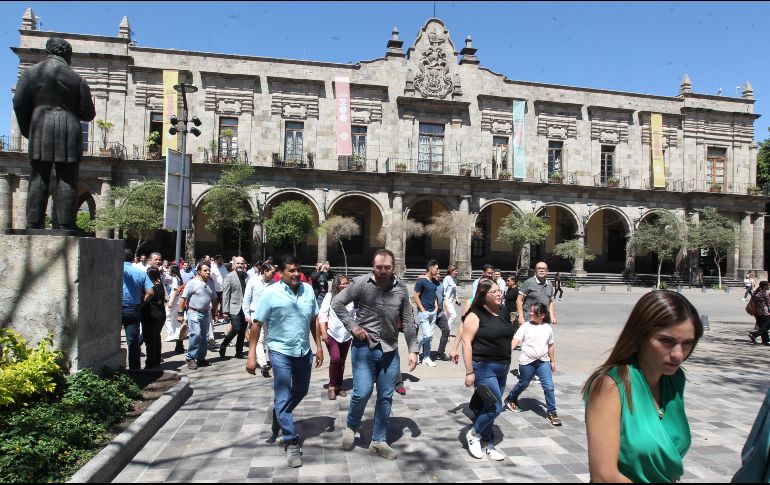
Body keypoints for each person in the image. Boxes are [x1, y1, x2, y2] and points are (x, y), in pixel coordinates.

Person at [582, 290, 704, 483]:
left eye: (688, 343)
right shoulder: (611, 386)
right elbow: (604, 476)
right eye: (667, 341)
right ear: (639, 336)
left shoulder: (674, 379)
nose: (678, 355)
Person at [333, 249, 419, 461]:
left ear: (393, 267)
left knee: (385, 397)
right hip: (364, 349)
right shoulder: (361, 283)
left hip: (390, 350)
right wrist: (353, 326)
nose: (382, 271)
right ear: (373, 266)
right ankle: (352, 426)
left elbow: (407, 320)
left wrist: (413, 349)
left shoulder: (401, 288)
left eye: (387, 267)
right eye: (379, 267)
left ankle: (378, 441)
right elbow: (337, 303)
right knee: (361, 393)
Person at [246, 256, 323, 468]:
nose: (296, 274)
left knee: (301, 391)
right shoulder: (270, 293)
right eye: (291, 270)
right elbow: (256, 324)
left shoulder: (308, 290)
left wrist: (318, 346)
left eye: (298, 270)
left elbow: (314, 319)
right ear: (282, 272)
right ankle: (291, 440)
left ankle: (278, 413)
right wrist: (252, 354)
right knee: (283, 394)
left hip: (303, 351)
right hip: (280, 351)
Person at [12, 37, 96, 230]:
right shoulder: (77, 79)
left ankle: (33, 223)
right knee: (67, 177)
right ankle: (66, 224)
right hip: (68, 129)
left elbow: (18, 103)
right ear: (67, 54)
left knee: (38, 175)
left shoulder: (30, 73)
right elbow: (89, 114)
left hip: (40, 126)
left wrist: (28, 129)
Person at [460, 279, 513, 461]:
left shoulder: (504, 311)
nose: (499, 294)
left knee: (488, 406)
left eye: (500, 291)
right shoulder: (475, 315)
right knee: (495, 406)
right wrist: (469, 371)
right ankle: (473, 435)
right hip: (483, 366)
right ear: (484, 295)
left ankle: (488, 443)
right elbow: (466, 342)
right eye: (495, 292)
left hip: (503, 366)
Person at [503, 303, 562, 426]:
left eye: (534, 312)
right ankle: (511, 397)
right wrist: (507, 353)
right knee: (524, 383)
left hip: (543, 362)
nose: (530, 314)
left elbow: (550, 345)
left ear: (542, 315)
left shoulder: (547, 328)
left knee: (549, 387)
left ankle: (552, 412)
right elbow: (515, 340)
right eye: (530, 311)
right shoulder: (525, 326)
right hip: (527, 362)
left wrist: (552, 360)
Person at [319, 275, 354, 400]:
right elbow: (322, 315)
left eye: (347, 283)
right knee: (335, 359)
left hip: (347, 334)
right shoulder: (330, 296)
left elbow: (355, 315)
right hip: (332, 333)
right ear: (337, 285)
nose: (345, 286)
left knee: (342, 361)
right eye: (342, 283)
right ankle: (332, 386)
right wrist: (323, 333)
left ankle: (339, 385)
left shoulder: (352, 298)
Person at [180, 261, 217, 370]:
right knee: (196, 334)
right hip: (193, 312)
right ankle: (190, 358)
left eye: (209, 270)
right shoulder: (192, 283)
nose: (208, 272)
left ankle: (201, 358)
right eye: (205, 270)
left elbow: (214, 299)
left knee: (204, 337)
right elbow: (183, 299)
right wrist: (180, 314)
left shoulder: (211, 283)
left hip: (206, 313)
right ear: (199, 272)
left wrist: (215, 313)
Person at [121, 248, 154, 370]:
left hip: (115, 309)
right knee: (133, 342)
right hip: (133, 308)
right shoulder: (140, 272)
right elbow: (150, 292)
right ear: (132, 258)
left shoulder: (114, 270)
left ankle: (113, 369)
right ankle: (135, 370)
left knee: (111, 341)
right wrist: (141, 304)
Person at [243, 262, 277, 377]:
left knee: (269, 339)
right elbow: (246, 298)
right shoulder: (253, 281)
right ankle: (263, 364)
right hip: (256, 315)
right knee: (259, 339)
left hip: (270, 316)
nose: (274, 274)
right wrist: (247, 314)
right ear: (265, 271)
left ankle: (272, 361)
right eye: (272, 272)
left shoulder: (274, 284)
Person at [219, 256, 249, 359]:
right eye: (238, 263)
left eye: (242, 263)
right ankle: (224, 345)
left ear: (244, 264)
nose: (240, 265)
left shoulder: (247, 276)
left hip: (245, 308)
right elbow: (226, 294)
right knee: (236, 328)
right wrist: (225, 311)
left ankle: (239, 352)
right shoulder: (229, 277)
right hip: (233, 307)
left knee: (242, 330)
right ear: (234, 264)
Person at [414, 260, 440, 367]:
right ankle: (415, 349)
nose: (438, 270)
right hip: (423, 312)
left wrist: (436, 306)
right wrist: (423, 310)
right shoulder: (421, 282)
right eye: (436, 268)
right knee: (426, 335)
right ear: (430, 268)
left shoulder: (434, 282)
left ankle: (426, 357)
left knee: (430, 337)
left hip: (432, 312)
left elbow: (434, 295)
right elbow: (415, 296)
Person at [141, 266, 167, 369]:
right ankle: (156, 360)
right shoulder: (160, 284)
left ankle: (150, 363)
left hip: (150, 315)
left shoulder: (149, 286)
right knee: (156, 337)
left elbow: (146, 298)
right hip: (160, 315)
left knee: (150, 341)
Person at [517, 261, 557, 326]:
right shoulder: (528, 282)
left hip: (544, 320)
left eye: (544, 268)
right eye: (539, 268)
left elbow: (551, 302)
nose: (541, 270)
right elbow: (519, 300)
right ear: (535, 270)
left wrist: (552, 316)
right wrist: (521, 317)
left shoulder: (549, 284)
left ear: (547, 270)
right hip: (529, 319)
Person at [163, 264, 187, 354]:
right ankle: (176, 333)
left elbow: (175, 290)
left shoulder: (174, 278)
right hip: (178, 301)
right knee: (175, 318)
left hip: (174, 301)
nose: (168, 270)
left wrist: (170, 301)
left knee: (167, 317)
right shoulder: (178, 278)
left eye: (169, 268)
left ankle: (171, 334)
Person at [748, 281, 770, 345]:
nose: (768, 287)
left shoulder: (759, 293)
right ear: (764, 286)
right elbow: (767, 303)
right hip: (764, 312)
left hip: (758, 313)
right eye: (767, 286)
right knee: (766, 326)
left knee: (763, 326)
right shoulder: (763, 293)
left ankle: (765, 341)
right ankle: (755, 334)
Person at [443, 265, 460, 336]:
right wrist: (443, 300)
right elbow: (444, 289)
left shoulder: (454, 279)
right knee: (454, 315)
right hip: (447, 299)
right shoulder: (447, 278)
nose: (456, 272)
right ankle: (446, 331)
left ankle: (448, 334)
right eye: (455, 271)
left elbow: (454, 291)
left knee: (451, 317)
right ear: (451, 271)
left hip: (452, 300)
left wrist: (457, 299)